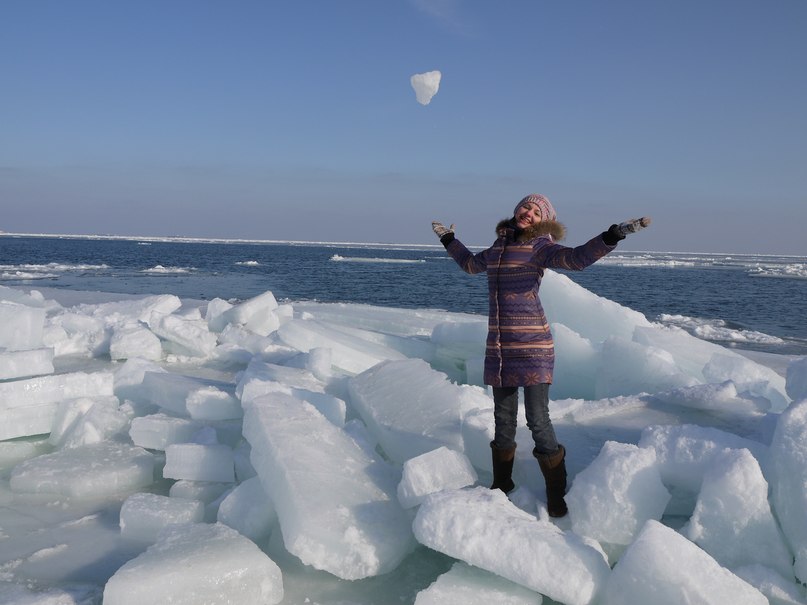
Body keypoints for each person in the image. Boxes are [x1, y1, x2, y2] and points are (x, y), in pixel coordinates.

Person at [432, 193, 649, 517]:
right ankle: (501, 485)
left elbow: (577, 259)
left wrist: (612, 235)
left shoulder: (540, 247)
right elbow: (470, 265)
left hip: (533, 346)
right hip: (500, 347)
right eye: (526, 207)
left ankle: (556, 493)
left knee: (537, 419)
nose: (528, 213)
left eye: (536, 212)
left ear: (543, 221)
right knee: (503, 419)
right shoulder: (498, 247)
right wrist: (449, 239)